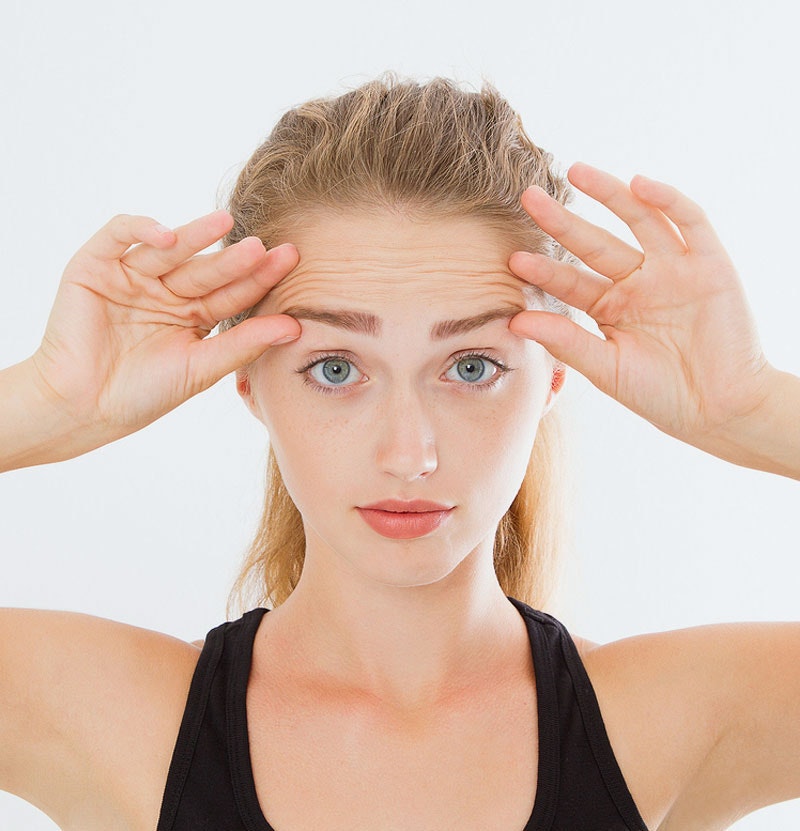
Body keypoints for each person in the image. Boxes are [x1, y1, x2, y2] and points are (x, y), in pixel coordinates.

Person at [1, 73, 799, 831]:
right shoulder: (119, 716)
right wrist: (46, 401)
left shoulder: (667, 717)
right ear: (247, 380)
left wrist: (752, 404)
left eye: (471, 367)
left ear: (555, 376)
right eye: (337, 369)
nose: (408, 454)